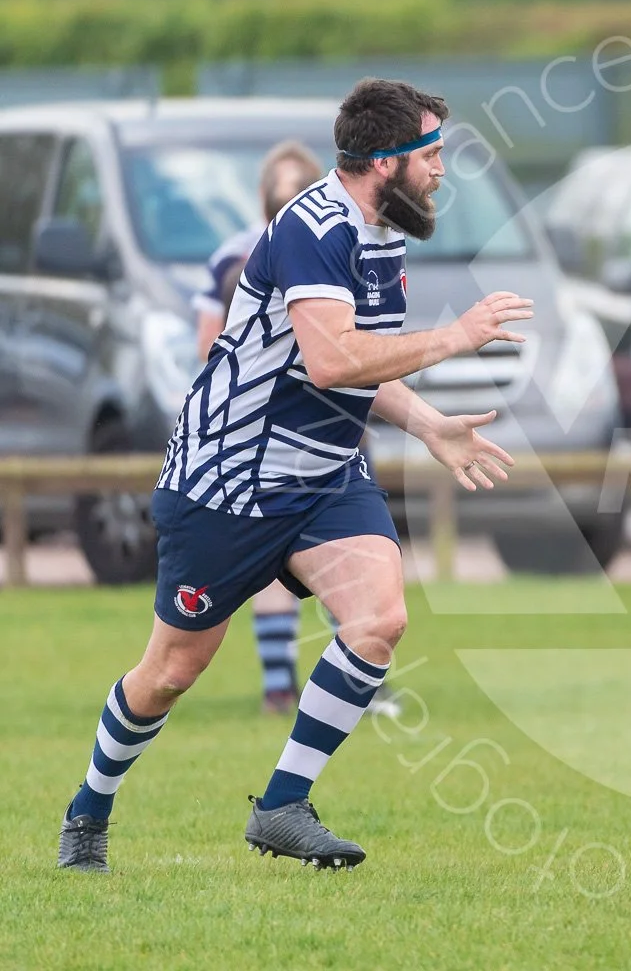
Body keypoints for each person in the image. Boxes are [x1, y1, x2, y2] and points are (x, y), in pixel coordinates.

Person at [57, 77, 532, 873]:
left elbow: (360, 367)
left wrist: (430, 425)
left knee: (380, 621)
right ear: (385, 162)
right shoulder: (313, 228)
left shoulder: (381, 232)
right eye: (433, 154)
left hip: (324, 478)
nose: (442, 170)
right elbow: (331, 357)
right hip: (230, 481)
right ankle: (88, 810)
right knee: (172, 673)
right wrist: (454, 339)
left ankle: (282, 805)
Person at [195, 142, 399, 719]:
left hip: (338, 434)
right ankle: (282, 687)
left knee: (352, 560)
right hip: (258, 441)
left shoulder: (351, 239)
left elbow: (360, 347)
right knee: (269, 574)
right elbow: (210, 345)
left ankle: (352, 680)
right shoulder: (240, 256)